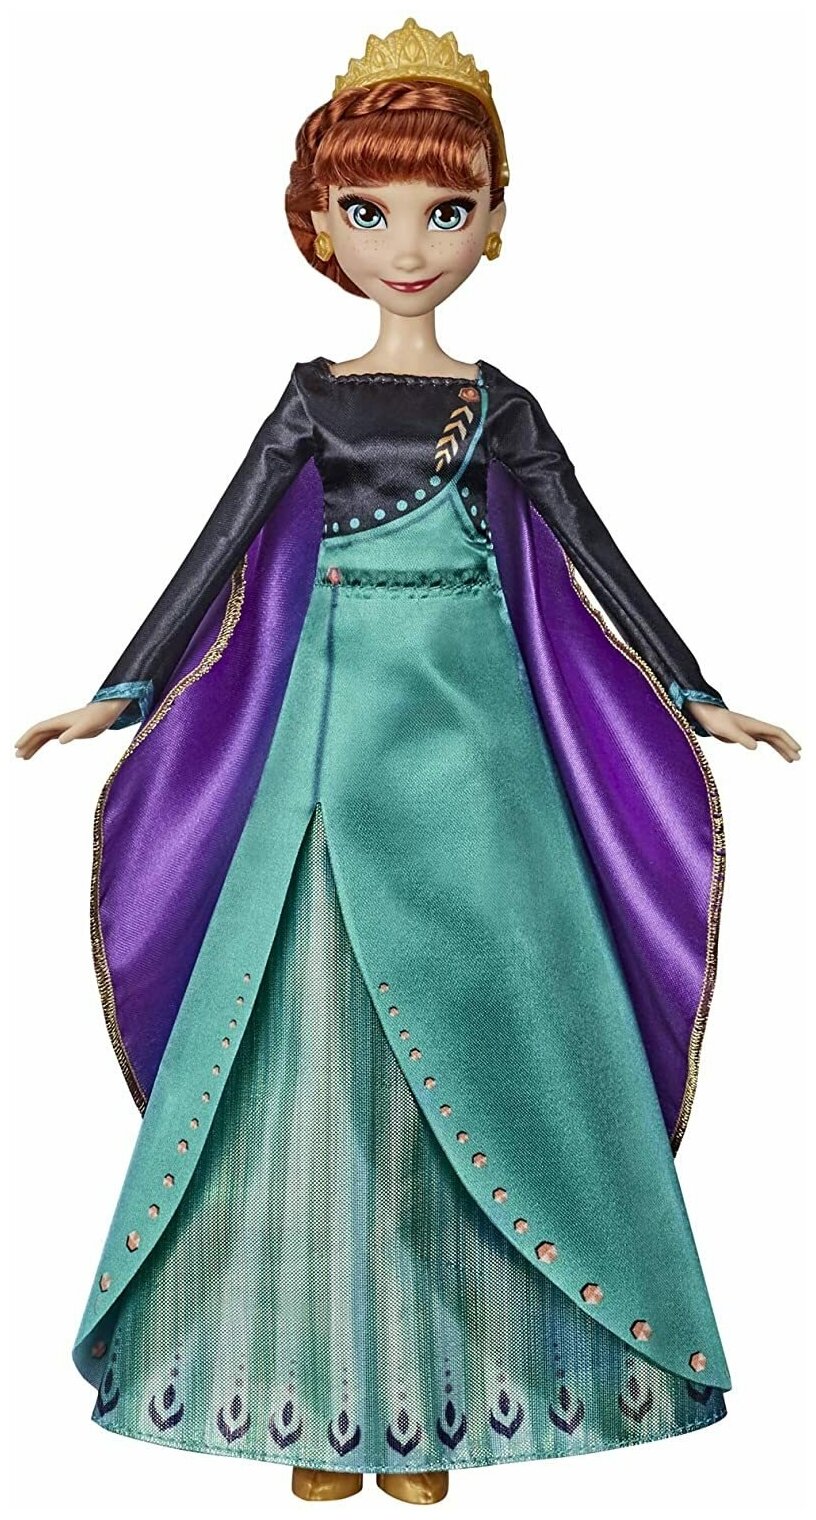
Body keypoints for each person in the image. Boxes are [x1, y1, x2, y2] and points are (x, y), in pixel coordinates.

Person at [14, 15, 801, 1507]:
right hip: (323, 760)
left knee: (491, 1042)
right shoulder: (313, 398)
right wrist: (121, 689)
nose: (410, 245)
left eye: (448, 211)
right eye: (370, 213)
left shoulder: (499, 408)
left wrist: (695, 694)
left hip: (476, 759)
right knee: (305, 1057)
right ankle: (315, 1407)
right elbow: (219, 548)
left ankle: (439, 1409)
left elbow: (593, 557)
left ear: (495, 221)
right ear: (320, 224)